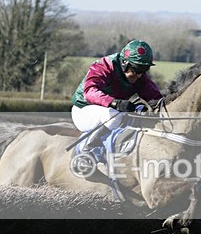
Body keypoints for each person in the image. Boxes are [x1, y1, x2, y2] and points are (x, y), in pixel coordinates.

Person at [70, 39, 163, 172]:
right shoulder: (104, 66)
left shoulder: (139, 77)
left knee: (134, 117)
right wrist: (115, 102)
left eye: (144, 69)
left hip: (109, 113)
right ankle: (86, 152)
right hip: (83, 110)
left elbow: (156, 98)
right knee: (114, 115)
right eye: (136, 69)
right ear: (125, 62)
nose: (139, 74)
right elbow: (89, 91)